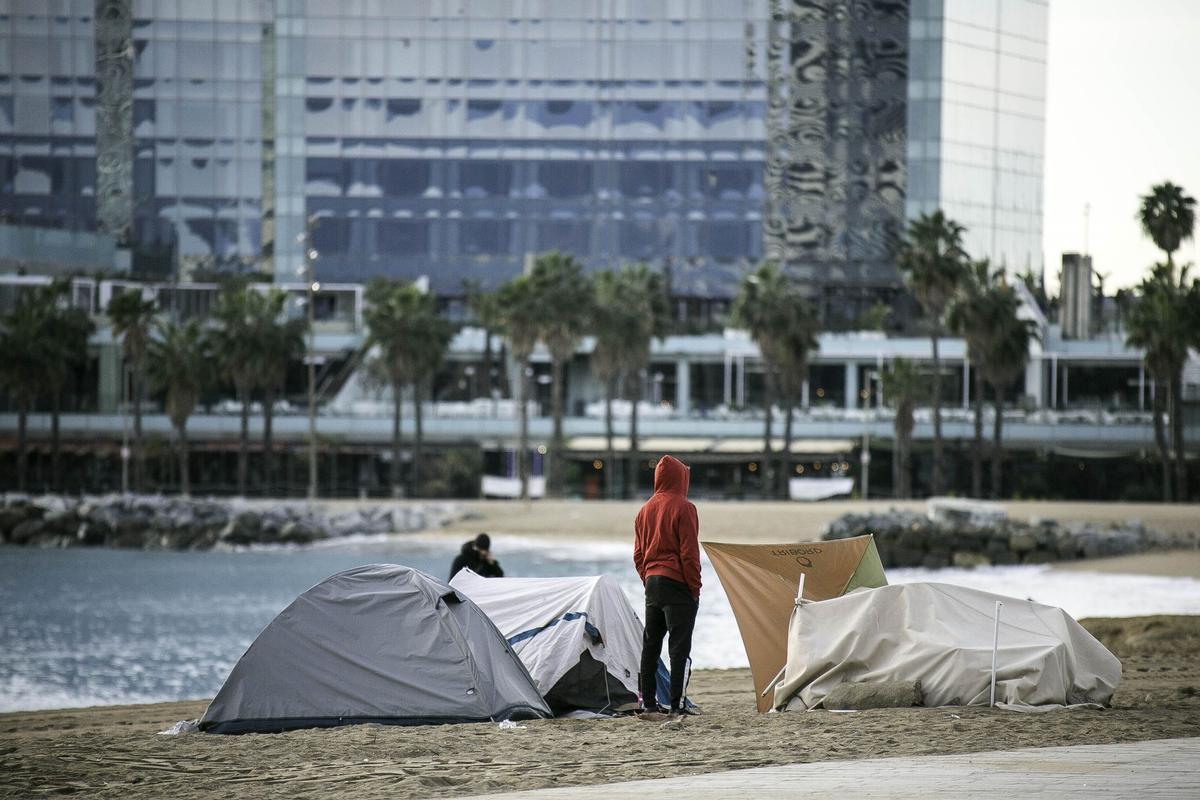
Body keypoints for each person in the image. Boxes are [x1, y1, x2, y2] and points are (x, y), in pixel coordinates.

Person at [634, 454, 700, 714]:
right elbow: (689, 555)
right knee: (679, 647)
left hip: (653, 582)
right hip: (677, 583)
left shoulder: (644, 510)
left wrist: (648, 577)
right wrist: (694, 589)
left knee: (651, 645)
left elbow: (638, 555)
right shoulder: (685, 507)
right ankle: (676, 705)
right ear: (681, 478)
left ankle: (648, 703)